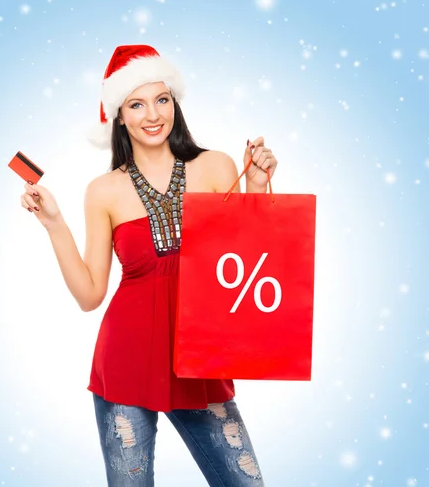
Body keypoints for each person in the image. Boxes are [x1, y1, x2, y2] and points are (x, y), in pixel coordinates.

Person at [19, 44, 278, 486]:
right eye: (136, 104)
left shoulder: (216, 166)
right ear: (119, 116)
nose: (152, 114)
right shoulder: (103, 191)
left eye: (162, 100)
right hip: (126, 362)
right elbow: (90, 295)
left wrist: (257, 186)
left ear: (174, 102)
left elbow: (255, 264)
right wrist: (54, 223)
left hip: (201, 361)